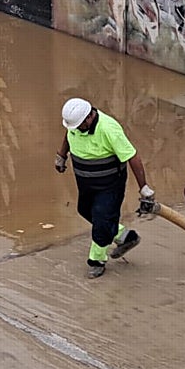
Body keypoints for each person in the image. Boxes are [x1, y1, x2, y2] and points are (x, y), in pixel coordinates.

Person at [55, 97, 154, 278]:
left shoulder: (109, 129)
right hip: (86, 182)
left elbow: (133, 157)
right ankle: (126, 237)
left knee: (101, 218)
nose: (75, 129)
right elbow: (69, 135)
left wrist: (144, 188)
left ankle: (96, 261)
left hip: (110, 184)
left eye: (78, 126)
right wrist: (61, 155)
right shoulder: (76, 126)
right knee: (85, 210)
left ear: (89, 118)